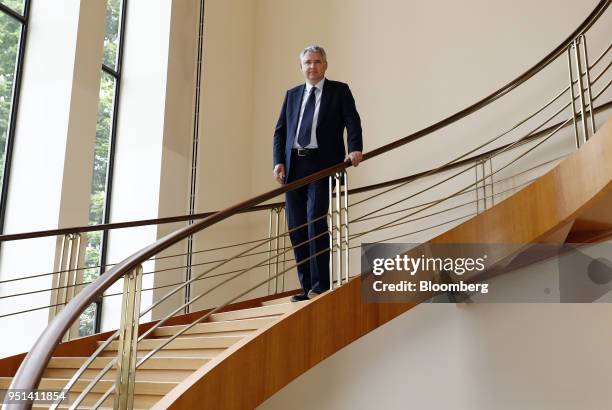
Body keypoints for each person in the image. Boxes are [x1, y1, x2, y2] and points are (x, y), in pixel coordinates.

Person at [272, 45, 363, 302]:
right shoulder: (292, 95)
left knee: (315, 221)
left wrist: (354, 148)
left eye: (318, 62)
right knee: (296, 228)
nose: (313, 66)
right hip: (293, 168)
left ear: (325, 65)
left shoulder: (339, 91)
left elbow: (352, 120)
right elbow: (280, 131)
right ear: (301, 67)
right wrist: (278, 162)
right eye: (308, 62)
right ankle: (306, 286)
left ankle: (321, 284)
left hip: (323, 166)